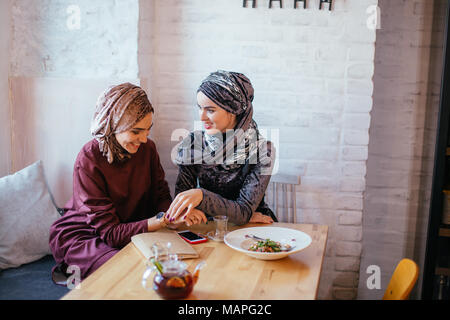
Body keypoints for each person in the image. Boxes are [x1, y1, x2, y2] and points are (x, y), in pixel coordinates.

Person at [49, 83, 205, 282]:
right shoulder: (89, 158)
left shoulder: (148, 149)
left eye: (147, 130)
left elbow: (160, 196)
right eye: (135, 131)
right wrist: (161, 220)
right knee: (129, 268)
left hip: (130, 228)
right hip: (88, 237)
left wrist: (175, 216)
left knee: (174, 262)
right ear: (113, 125)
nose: (142, 139)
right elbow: (110, 233)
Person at [166, 70, 277, 226]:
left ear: (234, 110)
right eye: (200, 107)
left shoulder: (263, 150)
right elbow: (183, 200)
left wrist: (202, 197)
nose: (201, 117)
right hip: (208, 226)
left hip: (253, 229)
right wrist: (235, 214)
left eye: (210, 110)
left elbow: (244, 211)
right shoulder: (193, 143)